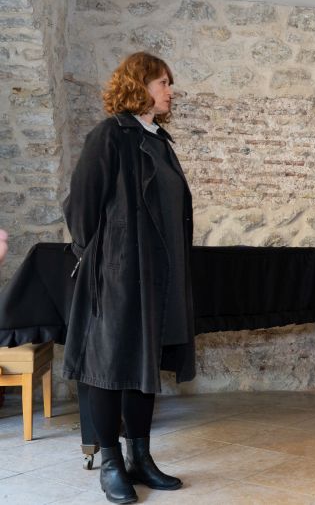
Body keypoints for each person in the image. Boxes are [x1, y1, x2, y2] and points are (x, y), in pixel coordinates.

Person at [63, 52, 193, 503]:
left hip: (158, 278)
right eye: (163, 83)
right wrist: (107, 259)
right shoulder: (109, 135)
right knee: (106, 368)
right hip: (117, 275)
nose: (170, 91)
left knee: (143, 364)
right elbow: (81, 208)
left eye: (169, 83)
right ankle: (111, 463)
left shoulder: (159, 141)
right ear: (140, 86)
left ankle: (140, 457)